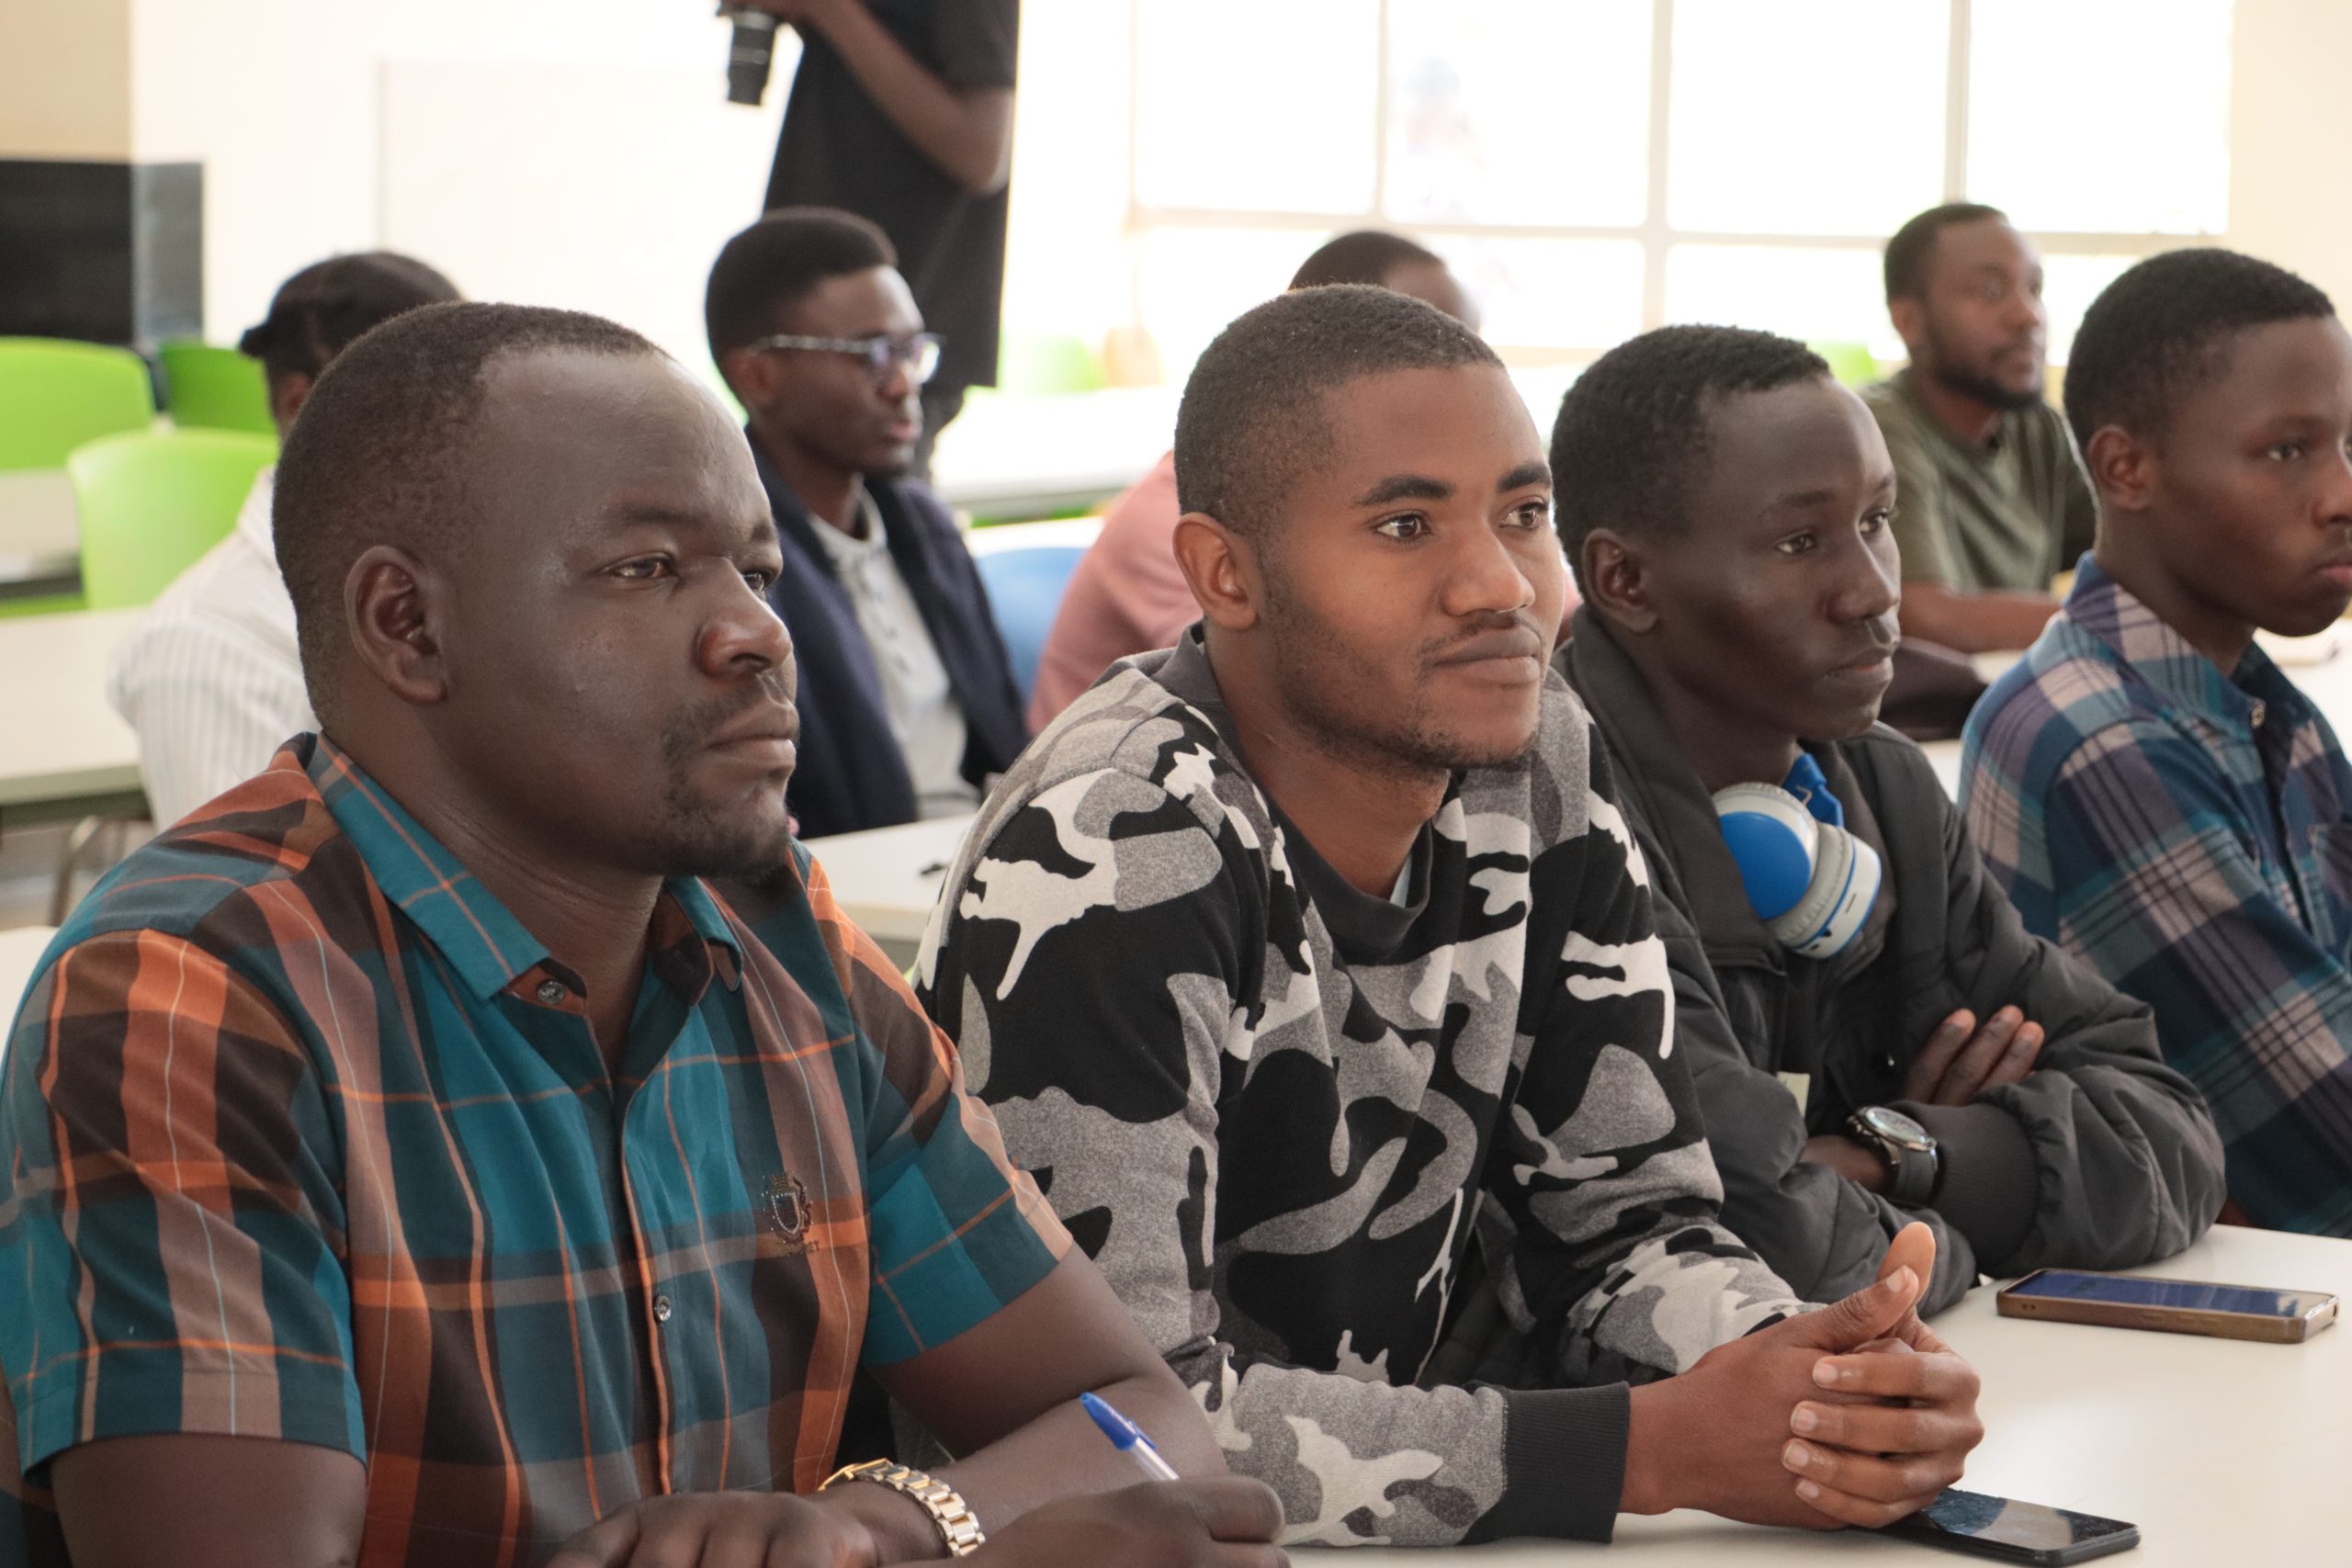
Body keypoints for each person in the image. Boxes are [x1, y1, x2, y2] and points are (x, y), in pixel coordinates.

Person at [0, 301, 1286, 1568]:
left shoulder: (777, 939)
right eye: (647, 569)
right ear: (407, 625)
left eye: (757, 572)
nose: (758, 633)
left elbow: (1141, 1421)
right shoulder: (190, 994)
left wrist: (871, 1527)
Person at [918, 286, 1984, 1549]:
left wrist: (1804, 1378)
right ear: (1225, 573)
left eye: (1524, 515)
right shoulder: (1111, 845)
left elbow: (1625, 1225)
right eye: (1405, 525)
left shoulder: (1536, 759)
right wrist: (1645, 1449)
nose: (1499, 584)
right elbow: (1123, 1424)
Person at [1548, 323, 2223, 1315]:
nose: (1873, 589)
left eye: (1877, 520)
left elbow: (2172, 1134)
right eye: (1799, 542)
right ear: (1626, 581)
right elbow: (1773, 1243)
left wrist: (1891, 1151)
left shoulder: (1883, 789)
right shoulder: (1559, 821)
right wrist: (1961, 1196)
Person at [1962, 248, 2352, 1236]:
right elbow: (2331, 1125)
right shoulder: (2101, 740)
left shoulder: (2270, 713)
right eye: (2288, 452)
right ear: (2126, 469)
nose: (2340, 493)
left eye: (2348, 446)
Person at [1025, 231, 1487, 732]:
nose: (1459, 375)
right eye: (1417, 348)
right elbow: (1285, 699)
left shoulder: (1435, 494)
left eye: (1467, 346)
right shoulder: (1183, 515)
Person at [105, 251, 459, 825]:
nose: (462, 434)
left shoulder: (458, 579)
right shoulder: (211, 650)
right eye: (425, 406)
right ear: (301, 405)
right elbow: (236, 878)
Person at [707, 208, 1025, 839]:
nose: (903, 385)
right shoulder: (728, 563)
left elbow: (1006, 744)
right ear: (758, 375)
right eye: (872, 354)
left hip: (980, 849)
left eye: (911, 351)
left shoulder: (924, 528)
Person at [749, 0, 1018, 476]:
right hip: (802, 330)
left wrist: (832, 12)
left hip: (888, 343)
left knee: (881, 515)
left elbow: (982, 152)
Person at [1862, 204, 2098, 655]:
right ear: (1909, 322)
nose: (2028, 315)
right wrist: (2123, 623)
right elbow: (1923, 617)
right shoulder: (1879, 431)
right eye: (1991, 290)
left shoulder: (2037, 428)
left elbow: (2133, 547)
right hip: (1936, 700)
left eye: (2034, 288)